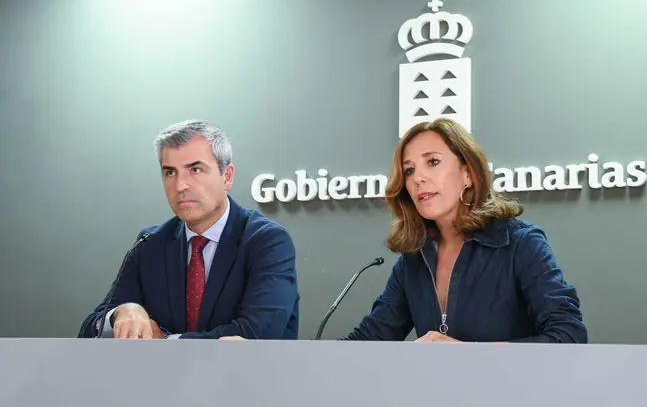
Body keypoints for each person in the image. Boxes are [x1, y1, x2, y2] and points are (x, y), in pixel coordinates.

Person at [344, 118, 587, 343]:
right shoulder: (413, 260)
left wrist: (467, 354)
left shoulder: (521, 244)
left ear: (468, 173)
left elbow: (568, 336)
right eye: (409, 170)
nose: (418, 178)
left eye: (433, 162)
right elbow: (370, 339)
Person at [78, 120, 299, 340]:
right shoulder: (149, 244)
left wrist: (166, 341)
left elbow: (256, 333)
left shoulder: (267, 241)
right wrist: (121, 313)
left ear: (227, 176)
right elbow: (89, 331)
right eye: (170, 172)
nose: (180, 186)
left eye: (195, 170)